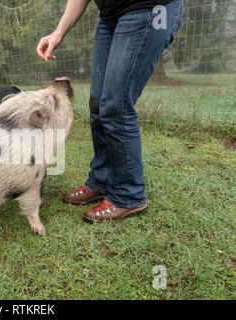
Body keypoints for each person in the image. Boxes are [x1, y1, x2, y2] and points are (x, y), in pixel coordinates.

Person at [37, 0, 183, 222]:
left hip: (149, 8)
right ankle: (102, 180)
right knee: (98, 105)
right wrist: (58, 32)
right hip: (111, 16)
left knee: (117, 107)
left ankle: (128, 195)